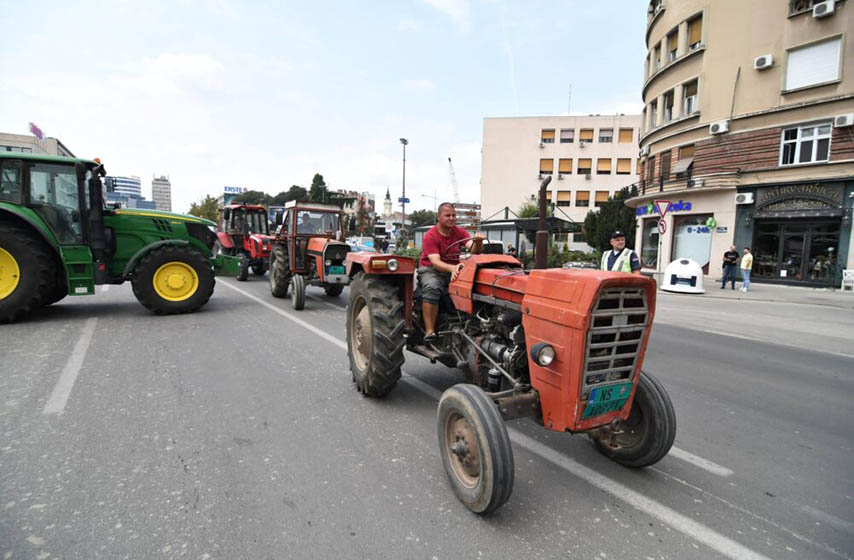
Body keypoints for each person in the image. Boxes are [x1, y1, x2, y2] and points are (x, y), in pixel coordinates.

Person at [418, 202, 484, 341]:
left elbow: (473, 249)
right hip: (431, 270)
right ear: (439, 216)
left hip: (454, 269)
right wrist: (452, 268)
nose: (452, 218)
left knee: (474, 287)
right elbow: (435, 262)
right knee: (432, 287)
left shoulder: (458, 232)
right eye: (447, 215)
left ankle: (473, 324)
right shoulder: (431, 235)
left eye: (454, 215)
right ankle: (430, 331)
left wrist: (478, 242)